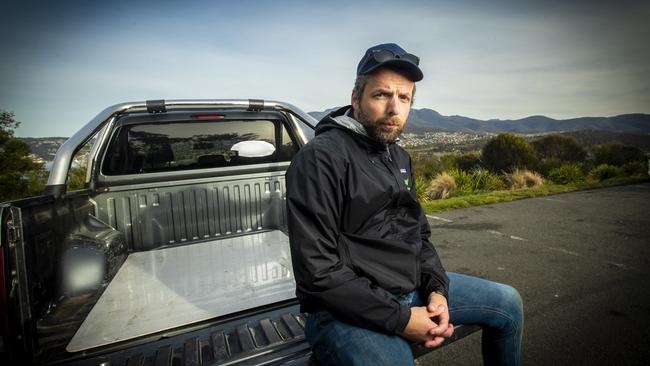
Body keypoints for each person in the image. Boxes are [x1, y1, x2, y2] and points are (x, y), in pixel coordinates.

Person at [285, 43, 523, 366]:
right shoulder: (320, 159)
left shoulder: (398, 156)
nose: (394, 109)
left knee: (509, 304)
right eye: (382, 95)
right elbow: (318, 273)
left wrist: (437, 290)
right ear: (356, 99)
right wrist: (403, 321)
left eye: (404, 98)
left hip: (410, 292)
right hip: (343, 312)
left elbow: (419, 236)